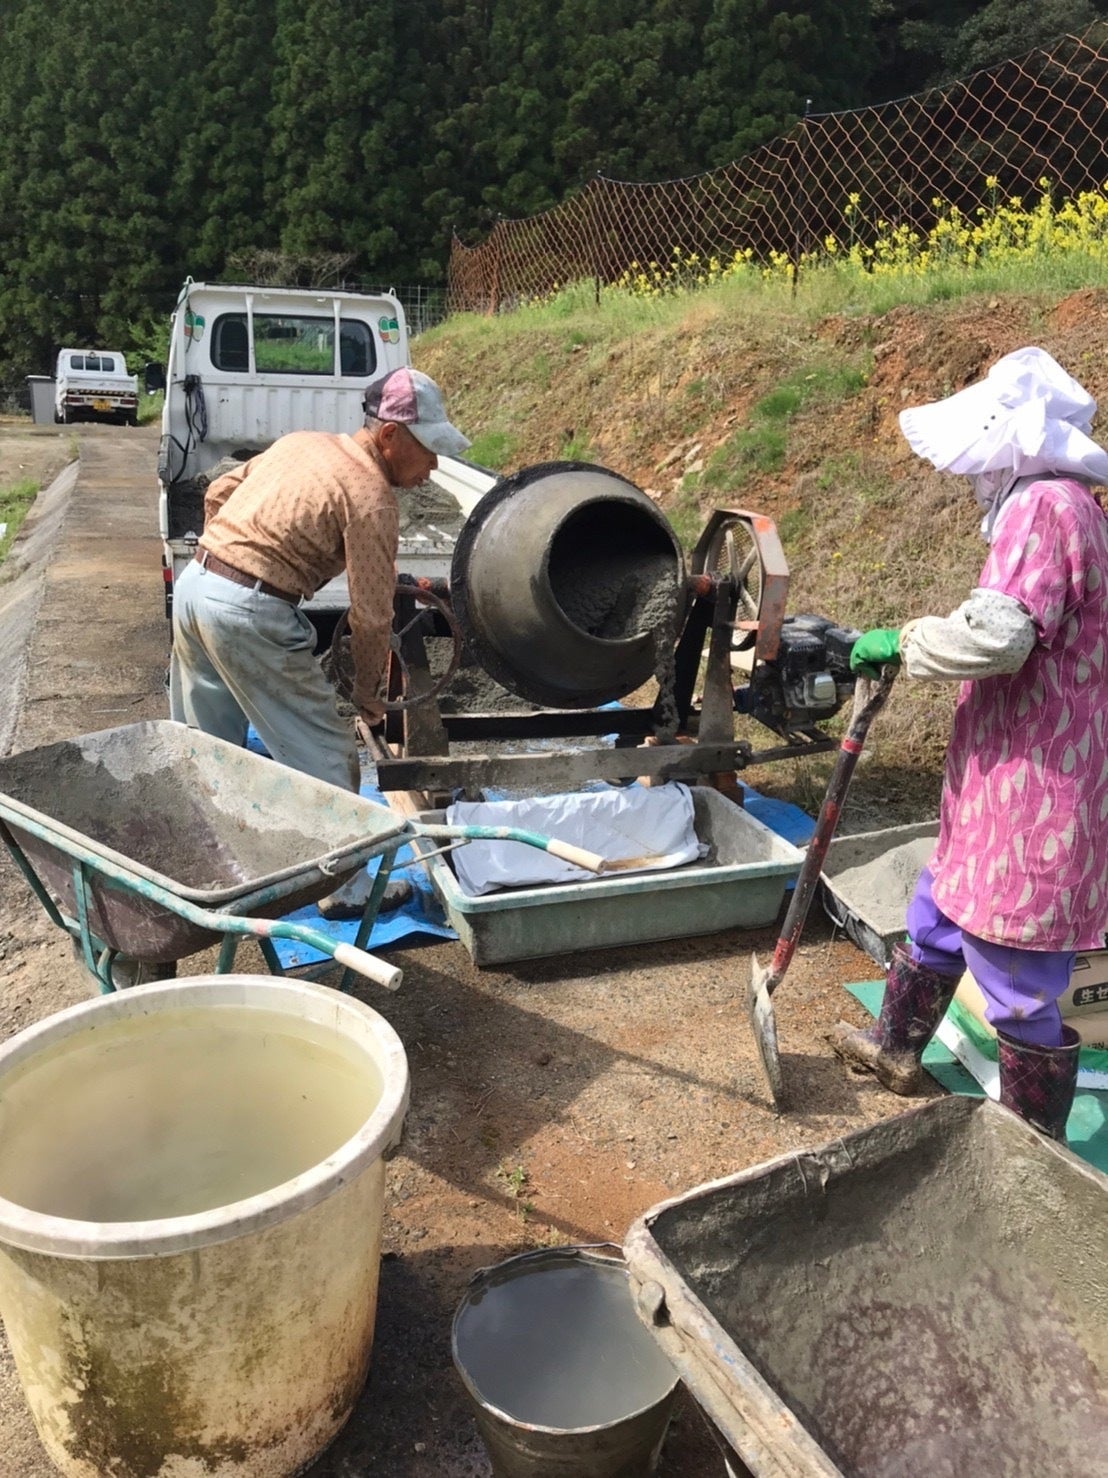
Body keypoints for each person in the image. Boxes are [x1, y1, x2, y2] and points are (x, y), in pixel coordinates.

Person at [831, 346, 1108, 1140]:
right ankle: (895, 1048)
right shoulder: (1069, 504)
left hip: (1039, 782)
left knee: (1016, 968)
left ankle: (1031, 1149)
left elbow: (999, 637)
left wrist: (902, 641)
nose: (974, 479)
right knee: (941, 907)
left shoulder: (1044, 508)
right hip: (1007, 771)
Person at [169, 367, 470, 792]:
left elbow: (218, 492)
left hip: (194, 587)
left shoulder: (301, 443)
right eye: (429, 449)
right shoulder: (371, 497)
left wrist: (224, 557)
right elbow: (371, 616)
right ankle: (338, 838)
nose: (434, 465)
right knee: (329, 760)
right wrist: (367, 693)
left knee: (207, 750)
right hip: (248, 615)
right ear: (389, 435)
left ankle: (204, 826)